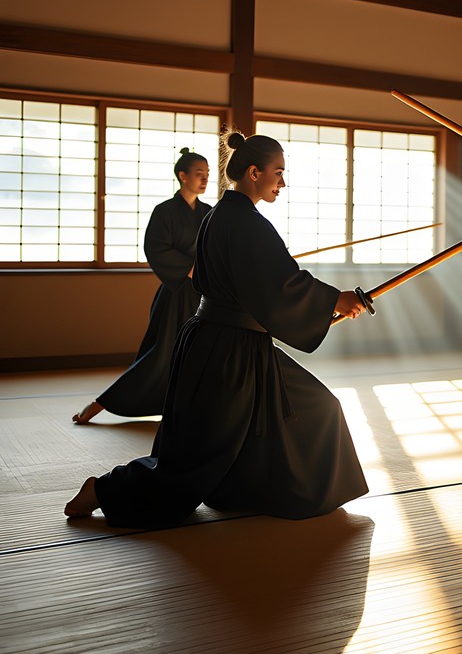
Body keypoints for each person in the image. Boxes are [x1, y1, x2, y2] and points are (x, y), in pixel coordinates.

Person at [64, 131, 369, 527]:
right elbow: (280, 285)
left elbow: (265, 286)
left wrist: (327, 303)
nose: (283, 182)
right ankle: (104, 490)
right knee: (194, 457)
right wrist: (333, 300)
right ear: (254, 173)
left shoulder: (224, 215)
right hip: (227, 351)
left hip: (230, 343)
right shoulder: (243, 222)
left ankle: (258, 490)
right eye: (278, 173)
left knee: (315, 408)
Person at [73, 148, 212, 424]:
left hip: (203, 296)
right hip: (175, 294)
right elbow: (155, 247)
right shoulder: (165, 211)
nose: (205, 179)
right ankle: (102, 403)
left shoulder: (209, 212)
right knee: (161, 355)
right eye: (199, 174)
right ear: (182, 176)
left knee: (204, 354)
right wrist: (188, 267)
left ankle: (192, 410)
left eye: (207, 175)